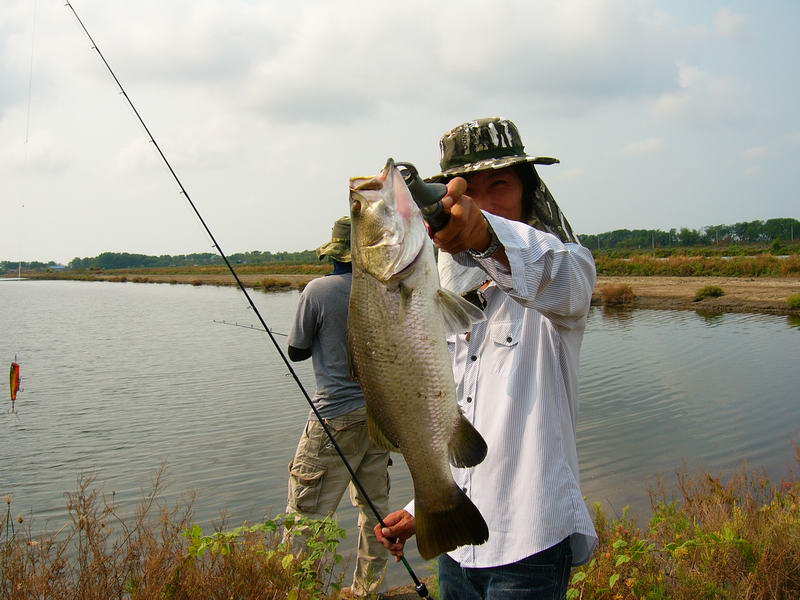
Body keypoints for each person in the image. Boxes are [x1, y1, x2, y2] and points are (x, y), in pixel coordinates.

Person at [374, 118, 598, 599]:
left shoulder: (566, 271)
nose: (481, 201)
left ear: (527, 191)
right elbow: (446, 418)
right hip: (458, 550)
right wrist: (421, 508)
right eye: (466, 190)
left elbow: (553, 276)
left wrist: (483, 236)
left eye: (498, 184)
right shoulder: (439, 298)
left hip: (531, 545)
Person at [286, 216, 390, 599]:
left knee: (306, 514)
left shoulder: (318, 290)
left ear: (334, 254)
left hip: (334, 417)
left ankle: (301, 591)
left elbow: (297, 351)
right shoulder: (381, 289)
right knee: (376, 509)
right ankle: (369, 590)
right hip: (379, 418)